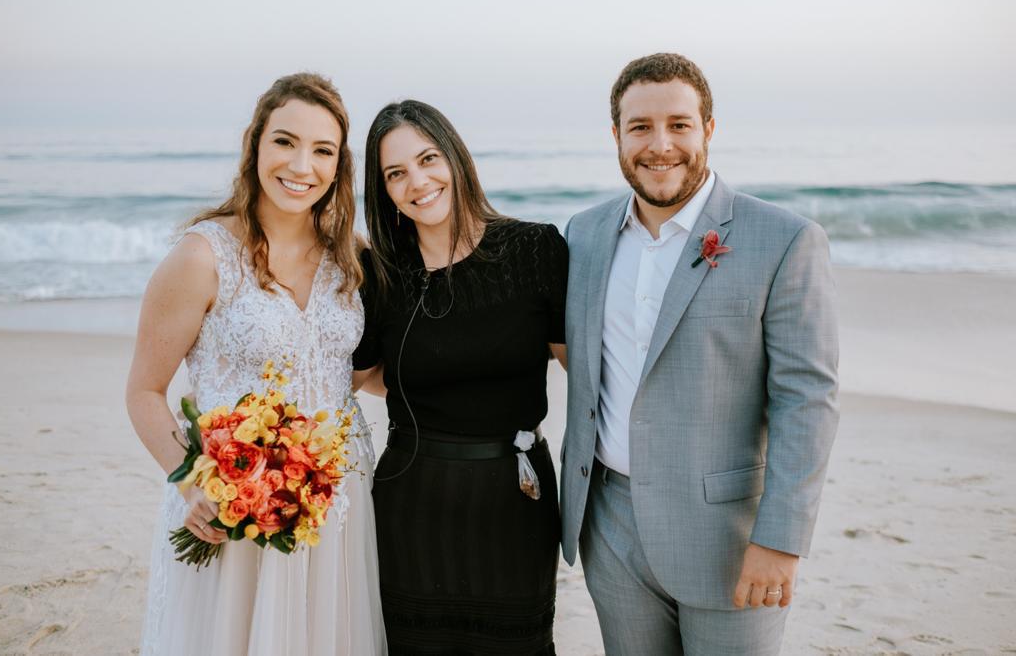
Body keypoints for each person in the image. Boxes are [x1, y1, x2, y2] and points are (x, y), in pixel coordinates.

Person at [560, 53, 840, 654]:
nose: (660, 145)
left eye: (679, 125)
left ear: (708, 129)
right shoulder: (583, 234)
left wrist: (782, 539)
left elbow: (807, 400)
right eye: (640, 127)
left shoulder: (783, 239)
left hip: (729, 534)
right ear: (616, 136)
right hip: (608, 524)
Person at [126, 73, 386, 655]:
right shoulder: (202, 256)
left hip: (340, 506)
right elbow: (144, 390)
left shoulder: (355, 258)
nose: (302, 165)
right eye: (285, 141)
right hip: (234, 503)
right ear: (255, 144)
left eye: (323, 151)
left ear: (338, 165)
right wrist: (191, 478)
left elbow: (362, 374)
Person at [353, 100, 567, 655]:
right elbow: (364, 377)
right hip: (411, 498)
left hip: (514, 496)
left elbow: (583, 367)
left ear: (455, 157)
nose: (417, 182)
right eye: (395, 173)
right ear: (384, 191)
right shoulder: (382, 275)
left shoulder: (535, 249)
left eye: (427, 159)